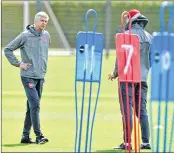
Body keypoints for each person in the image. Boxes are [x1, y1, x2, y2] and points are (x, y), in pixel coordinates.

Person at [108, 9, 152, 150]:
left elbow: (120, 58)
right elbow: (152, 59)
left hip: (126, 78)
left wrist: (115, 73)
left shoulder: (125, 35)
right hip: (143, 78)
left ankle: (127, 143)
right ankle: (145, 142)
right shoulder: (149, 36)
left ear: (130, 19)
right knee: (142, 110)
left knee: (126, 110)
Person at [4, 11, 50, 144]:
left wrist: (43, 70)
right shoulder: (25, 36)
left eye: (46, 21)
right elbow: (8, 49)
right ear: (35, 21)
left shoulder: (46, 35)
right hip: (28, 76)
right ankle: (39, 135)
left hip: (40, 76)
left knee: (31, 107)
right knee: (35, 104)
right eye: (42, 20)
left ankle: (25, 136)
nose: (44, 23)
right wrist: (19, 64)